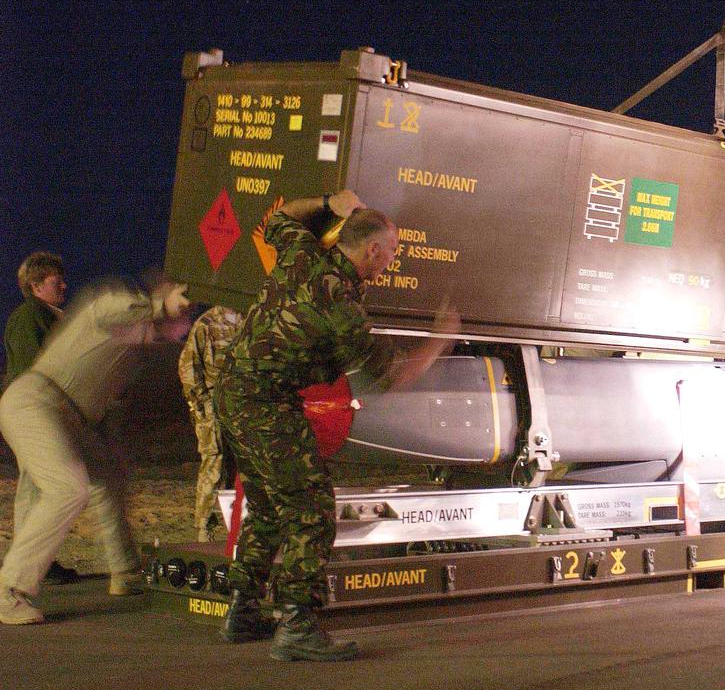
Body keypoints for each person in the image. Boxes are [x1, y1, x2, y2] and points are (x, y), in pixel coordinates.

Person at [215, 190, 455, 661]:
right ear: (372, 250)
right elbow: (392, 376)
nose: (392, 261)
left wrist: (329, 202)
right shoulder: (341, 306)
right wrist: (440, 341)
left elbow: (280, 218)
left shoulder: (303, 254)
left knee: (268, 506)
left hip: (234, 393)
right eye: (392, 252)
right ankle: (297, 626)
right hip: (266, 403)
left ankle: (243, 611)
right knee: (311, 509)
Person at [0, 277, 191, 625]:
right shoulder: (115, 305)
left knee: (108, 476)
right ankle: (9, 590)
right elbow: (110, 310)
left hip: (72, 417)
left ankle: (126, 571)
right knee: (67, 489)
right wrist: (161, 305)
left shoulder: (136, 343)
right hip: (38, 401)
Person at [3, 251, 78, 585]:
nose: (63, 285)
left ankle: (34, 563)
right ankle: (28, 568)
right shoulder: (30, 318)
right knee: (49, 488)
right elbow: (33, 369)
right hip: (34, 412)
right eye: (55, 281)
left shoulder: (46, 316)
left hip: (38, 411)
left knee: (35, 487)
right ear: (35, 286)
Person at [177, 305, 242, 543]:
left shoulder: (246, 319)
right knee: (214, 462)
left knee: (239, 465)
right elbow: (188, 366)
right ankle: (204, 526)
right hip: (212, 404)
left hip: (239, 404)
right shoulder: (207, 324)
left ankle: (236, 523)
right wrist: (201, 403)